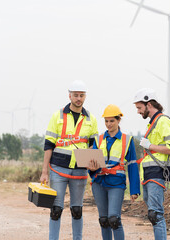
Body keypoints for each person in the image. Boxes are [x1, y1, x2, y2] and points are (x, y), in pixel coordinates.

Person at [40, 80, 99, 240]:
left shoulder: (91, 119)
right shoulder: (57, 116)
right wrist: (44, 171)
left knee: (77, 210)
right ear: (69, 96)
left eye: (81, 95)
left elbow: (94, 147)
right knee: (56, 209)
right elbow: (48, 145)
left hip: (80, 169)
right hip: (58, 169)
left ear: (85, 97)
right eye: (75, 95)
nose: (78, 98)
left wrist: (94, 166)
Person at [133, 88, 170, 240]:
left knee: (155, 214)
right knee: (153, 214)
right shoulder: (153, 123)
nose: (139, 112)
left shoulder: (163, 121)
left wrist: (150, 146)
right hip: (148, 173)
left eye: (140, 108)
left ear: (149, 104)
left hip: (157, 172)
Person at [88, 104, 140, 240]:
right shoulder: (98, 140)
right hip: (98, 183)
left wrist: (135, 190)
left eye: (112, 121)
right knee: (104, 220)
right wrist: (91, 169)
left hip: (116, 184)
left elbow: (133, 165)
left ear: (118, 121)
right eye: (106, 121)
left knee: (114, 219)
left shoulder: (127, 140)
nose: (108, 124)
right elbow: (92, 163)